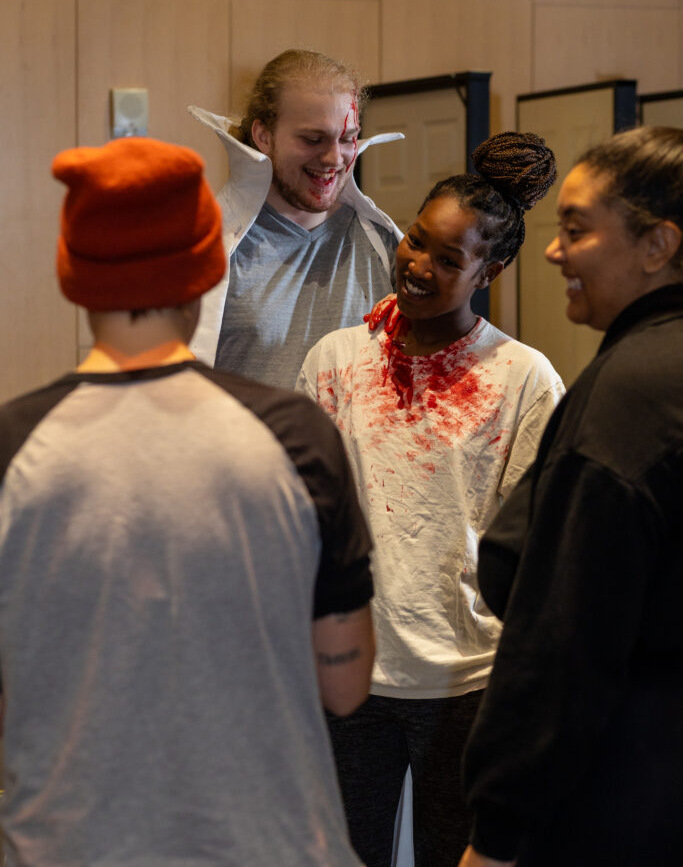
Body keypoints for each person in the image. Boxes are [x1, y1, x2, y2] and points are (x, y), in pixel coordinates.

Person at [0, 136, 375, 866]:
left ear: (74, 276)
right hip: (269, 840)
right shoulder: (295, 435)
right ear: (207, 268)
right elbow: (344, 685)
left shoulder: (13, 445)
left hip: (65, 843)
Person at [297, 132, 565, 867]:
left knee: (459, 855)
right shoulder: (334, 362)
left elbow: (535, 544)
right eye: (415, 241)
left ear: (491, 270)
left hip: (466, 675)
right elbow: (304, 519)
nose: (417, 265)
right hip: (350, 667)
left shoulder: (522, 378)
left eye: (449, 259)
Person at [459, 126, 683, 867]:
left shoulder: (628, 397)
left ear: (657, 245)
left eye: (576, 229)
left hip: (624, 795)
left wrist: (495, 833)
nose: (553, 252)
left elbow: (562, 640)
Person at [188, 48, 403, 388]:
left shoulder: (384, 244)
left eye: (347, 138)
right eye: (313, 139)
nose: (335, 158)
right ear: (263, 136)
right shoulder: (205, 248)